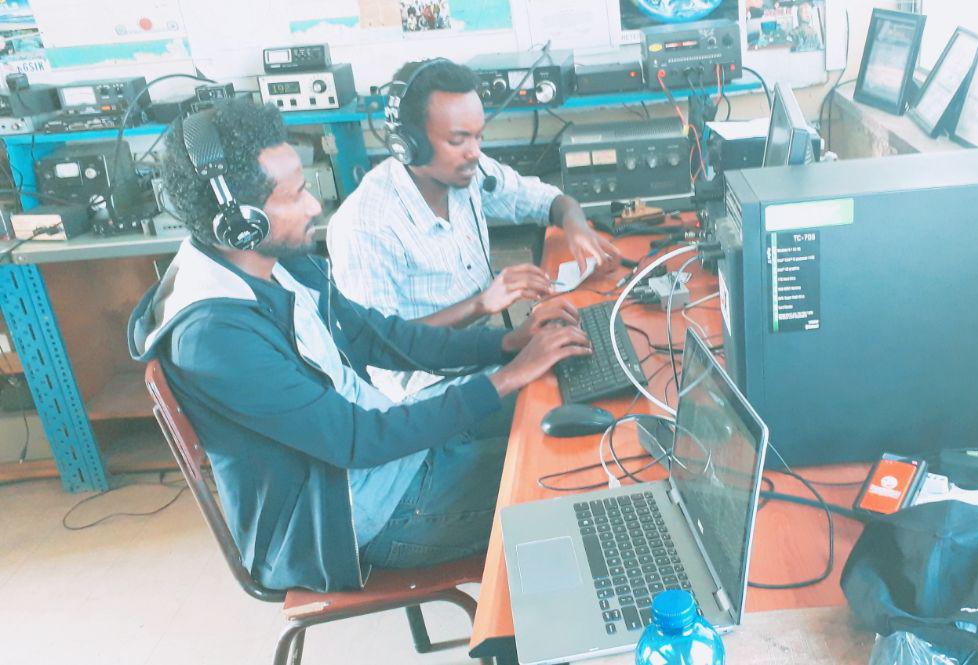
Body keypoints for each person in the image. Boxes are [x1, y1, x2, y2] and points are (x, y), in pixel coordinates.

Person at [127, 98, 591, 592]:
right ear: (241, 223)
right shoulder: (216, 338)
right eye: (295, 195)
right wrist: (508, 376)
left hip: (390, 447)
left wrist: (507, 343)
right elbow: (357, 441)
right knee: (573, 475)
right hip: (356, 515)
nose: (313, 207)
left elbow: (378, 337)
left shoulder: (274, 262)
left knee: (556, 398)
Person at [326, 58, 620, 399]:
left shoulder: (468, 172)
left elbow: (548, 200)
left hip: (483, 348)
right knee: (563, 402)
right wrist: (482, 304)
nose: (475, 153)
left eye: (479, 137)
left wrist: (575, 224)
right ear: (408, 143)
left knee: (586, 358)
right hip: (426, 391)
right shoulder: (365, 226)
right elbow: (382, 344)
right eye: (458, 140)